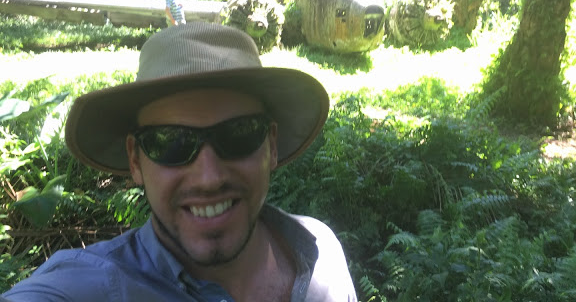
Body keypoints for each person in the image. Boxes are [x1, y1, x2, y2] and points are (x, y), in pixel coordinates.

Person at [3, 22, 357, 302]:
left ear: (272, 145)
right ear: (135, 160)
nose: (208, 177)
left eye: (239, 134)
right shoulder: (87, 286)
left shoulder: (321, 250)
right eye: (171, 144)